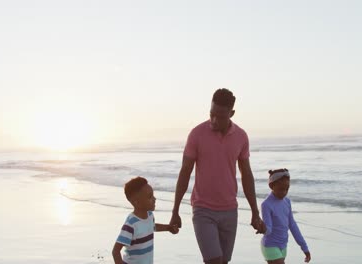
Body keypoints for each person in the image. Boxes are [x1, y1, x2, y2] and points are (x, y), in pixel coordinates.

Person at [170, 88, 266, 264]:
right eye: (211, 114)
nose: (214, 120)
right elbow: (185, 172)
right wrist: (175, 210)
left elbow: (246, 174)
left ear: (232, 113)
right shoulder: (197, 134)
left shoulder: (241, 136)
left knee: (223, 261)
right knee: (214, 260)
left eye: (220, 116)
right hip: (203, 209)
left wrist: (254, 212)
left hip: (230, 210)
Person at [112, 177, 179, 264]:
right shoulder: (131, 224)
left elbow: (152, 227)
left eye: (153, 195)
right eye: (150, 196)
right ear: (137, 202)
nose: (154, 199)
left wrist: (168, 228)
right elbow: (115, 251)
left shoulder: (150, 215)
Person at [261, 168, 311, 264]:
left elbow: (292, 225)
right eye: (281, 189)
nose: (284, 192)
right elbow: (268, 229)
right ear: (272, 186)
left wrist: (304, 247)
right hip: (270, 245)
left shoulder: (287, 202)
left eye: (286, 189)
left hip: (283, 245)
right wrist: (262, 228)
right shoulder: (266, 204)